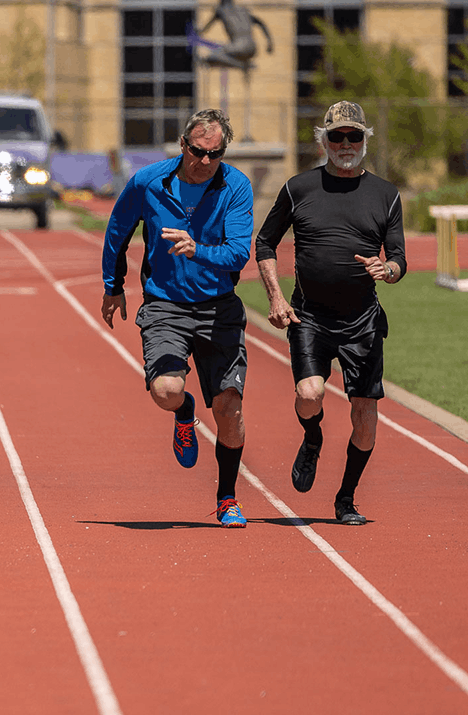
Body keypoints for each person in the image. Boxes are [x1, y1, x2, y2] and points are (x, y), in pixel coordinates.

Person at [100, 109, 255, 528]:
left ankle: (227, 498)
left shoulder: (236, 187)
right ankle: (184, 411)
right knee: (166, 390)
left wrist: (198, 249)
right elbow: (118, 230)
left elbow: (240, 252)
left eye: (215, 154)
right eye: (197, 151)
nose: (204, 161)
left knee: (230, 409)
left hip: (219, 307)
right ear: (182, 144)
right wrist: (113, 286)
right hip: (165, 304)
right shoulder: (149, 182)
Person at [255, 101, 406, 526]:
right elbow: (264, 243)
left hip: (362, 322)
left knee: (365, 420)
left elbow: (398, 258)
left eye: (353, 136)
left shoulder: (386, 194)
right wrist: (275, 298)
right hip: (310, 317)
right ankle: (313, 435)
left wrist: (388, 270)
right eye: (336, 136)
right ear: (324, 140)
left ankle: (345, 499)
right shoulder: (298, 188)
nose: (345, 144)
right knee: (309, 396)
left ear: (364, 140)